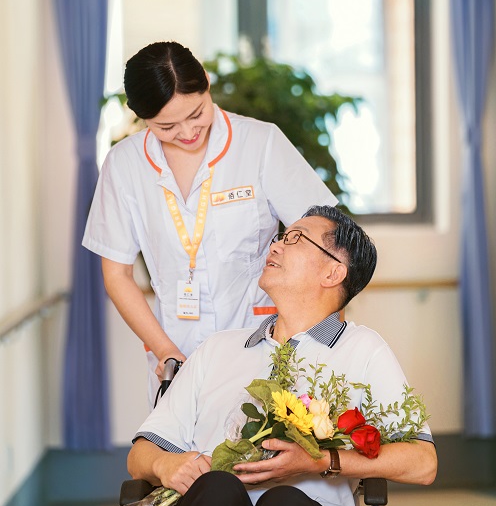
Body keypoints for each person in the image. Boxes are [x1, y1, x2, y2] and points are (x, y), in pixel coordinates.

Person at [128, 205, 438, 506]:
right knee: (216, 490)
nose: (275, 246)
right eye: (280, 237)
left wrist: (320, 460)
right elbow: (140, 455)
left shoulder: (363, 350)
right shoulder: (217, 348)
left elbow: (423, 463)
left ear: (333, 272)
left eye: (295, 239)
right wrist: (166, 465)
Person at [83, 41, 338, 404]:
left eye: (197, 113)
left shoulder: (260, 143)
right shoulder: (124, 165)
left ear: (205, 81)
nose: (188, 132)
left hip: (264, 339)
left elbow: (325, 241)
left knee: (265, 437)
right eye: (167, 126)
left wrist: (322, 342)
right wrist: (164, 349)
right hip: (178, 351)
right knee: (182, 439)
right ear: (141, 116)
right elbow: (117, 274)